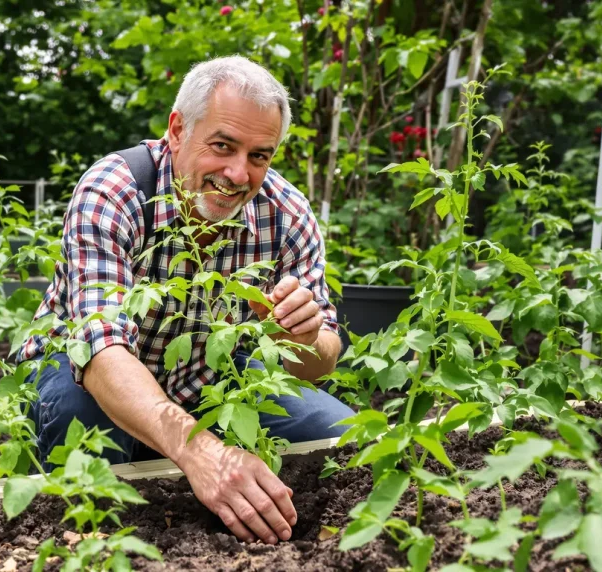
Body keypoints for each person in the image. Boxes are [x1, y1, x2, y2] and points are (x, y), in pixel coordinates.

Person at [18, 55, 355, 546]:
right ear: (177, 130)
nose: (239, 174)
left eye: (260, 156)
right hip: (85, 373)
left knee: (340, 436)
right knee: (84, 429)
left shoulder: (287, 215)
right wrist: (204, 453)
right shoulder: (115, 191)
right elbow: (100, 351)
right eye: (222, 146)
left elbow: (320, 360)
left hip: (207, 376)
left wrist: (299, 339)